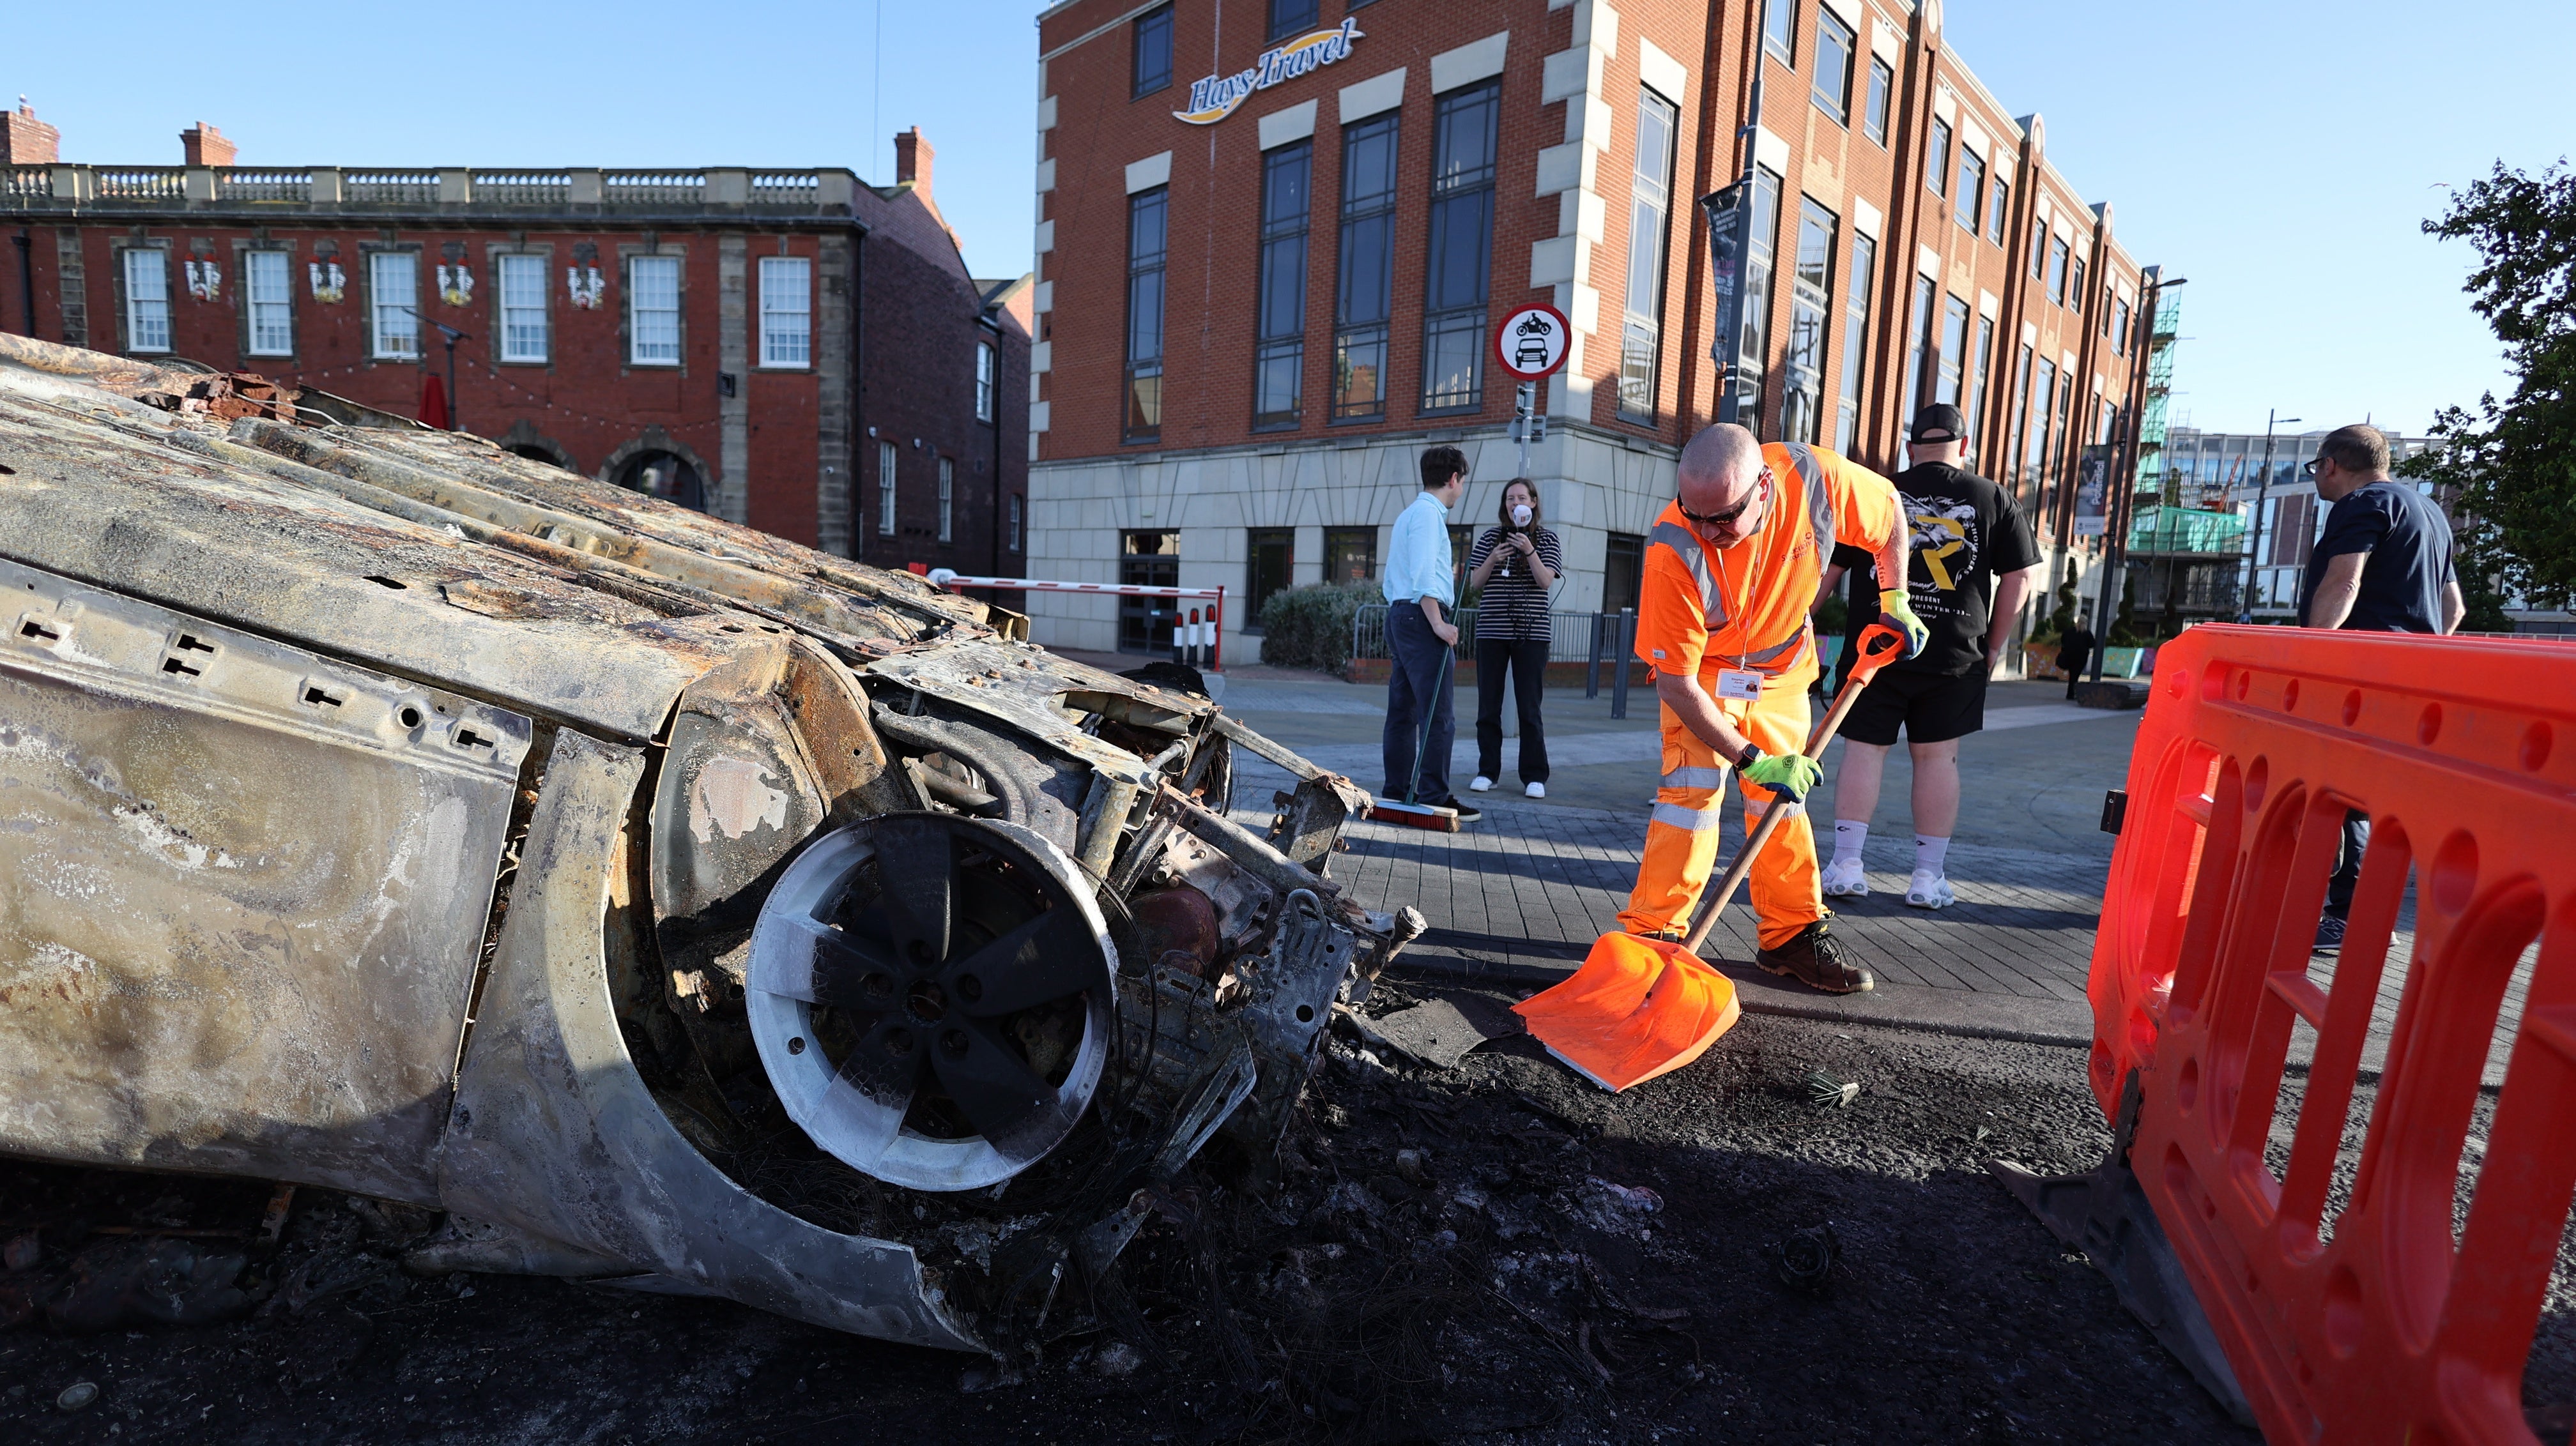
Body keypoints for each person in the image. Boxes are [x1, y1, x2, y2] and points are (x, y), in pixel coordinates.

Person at [1616, 423, 1924, 994]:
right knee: (1689, 802)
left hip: (1782, 671)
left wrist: (1896, 599)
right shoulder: (1672, 548)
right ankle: (1653, 939)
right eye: (1696, 515)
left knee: (1783, 805)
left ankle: (1790, 937)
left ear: (1763, 487)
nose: (1709, 533)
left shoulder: (1815, 480)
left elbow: (1889, 514)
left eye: (1724, 518)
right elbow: (1678, 684)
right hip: (1704, 679)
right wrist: (1749, 757)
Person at [1821, 405, 2044, 909]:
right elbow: (2021, 577)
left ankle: (1848, 866)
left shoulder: (1879, 491)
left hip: (1876, 646)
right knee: (1938, 758)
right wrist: (1992, 649)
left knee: (1863, 750)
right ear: (1964, 449)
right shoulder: (1992, 497)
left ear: (1909, 448)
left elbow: (1830, 570)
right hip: (1955, 654)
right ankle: (1926, 877)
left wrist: (1796, 623)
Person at [2301, 423, 2462, 954]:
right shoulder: (2431, 513)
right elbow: (2454, 609)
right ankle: (2364, 916)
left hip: (2362, 677)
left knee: (2343, 795)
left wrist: (2310, 656)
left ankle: (2351, 919)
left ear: (2330, 465)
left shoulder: (2361, 504)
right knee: (2374, 801)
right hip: (2413, 681)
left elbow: (2344, 581)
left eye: (2315, 470)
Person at [1380, 445, 1481, 822]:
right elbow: (1424, 576)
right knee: (1438, 715)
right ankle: (1434, 794)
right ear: (1453, 478)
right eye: (1462, 482)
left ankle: (1396, 792)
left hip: (1402, 616)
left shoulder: (1411, 513)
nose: (1461, 490)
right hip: (1422, 620)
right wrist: (1438, 623)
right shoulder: (1428, 516)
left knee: (1403, 711)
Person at [1467, 478, 1563, 799]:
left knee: (1529, 707)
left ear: (1533, 502)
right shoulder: (1489, 538)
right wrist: (1493, 558)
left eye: (1521, 497)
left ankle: (1535, 776)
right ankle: (1487, 771)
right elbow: (1474, 583)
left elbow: (1546, 581)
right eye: (1510, 498)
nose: (1515, 503)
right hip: (1492, 631)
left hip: (1532, 634)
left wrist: (1530, 550)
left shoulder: (1548, 539)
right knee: (1488, 707)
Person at [2055, 602, 2096, 702]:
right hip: (2080, 659)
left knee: (2072, 675)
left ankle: (2071, 693)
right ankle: (2072, 693)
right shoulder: (2087, 633)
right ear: (2085, 623)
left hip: (2069, 657)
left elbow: (2063, 640)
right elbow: (2092, 644)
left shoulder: (2070, 631)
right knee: (2075, 676)